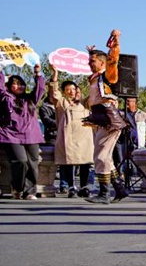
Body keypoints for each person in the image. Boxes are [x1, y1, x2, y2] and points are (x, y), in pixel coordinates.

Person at [83, 30, 130, 204]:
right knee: (106, 157)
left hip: (110, 120)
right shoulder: (94, 78)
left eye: (92, 61)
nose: (89, 64)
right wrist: (91, 53)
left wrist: (115, 43)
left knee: (101, 156)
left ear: (102, 62)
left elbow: (113, 61)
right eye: (89, 61)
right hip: (100, 119)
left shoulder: (108, 75)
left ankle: (104, 193)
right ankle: (119, 189)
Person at [0, 65, 46, 200]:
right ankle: (17, 188)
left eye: (21, 84)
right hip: (11, 135)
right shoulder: (6, 98)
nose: (19, 86)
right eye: (15, 84)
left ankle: (30, 191)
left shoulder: (30, 99)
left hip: (31, 135)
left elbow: (41, 89)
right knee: (20, 161)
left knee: (33, 163)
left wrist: (37, 74)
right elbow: (0, 89)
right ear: (9, 87)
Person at [49, 68, 93, 198]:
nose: (71, 91)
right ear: (64, 91)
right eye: (68, 89)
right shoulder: (62, 102)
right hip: (68, 139)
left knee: (86, 162)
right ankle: (71, 187)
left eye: (73, 89)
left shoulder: (84, 103)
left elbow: (94, 95)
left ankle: (84, 187)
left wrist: (93, 77)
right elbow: (54, 92)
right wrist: (55, 74)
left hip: (85, 138)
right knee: (69, 162)